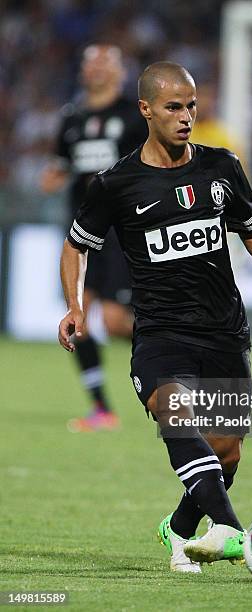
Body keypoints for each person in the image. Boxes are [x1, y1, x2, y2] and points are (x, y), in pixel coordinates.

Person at [58, 62, 252, 572]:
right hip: (159, 330)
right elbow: (76, 245)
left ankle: (177, 530)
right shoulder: (118, 183)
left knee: (228, 453)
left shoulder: (221, 167)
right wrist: (76, 304)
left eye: (191, 105)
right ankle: (232, 530)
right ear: (146, 109)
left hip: (224, 329)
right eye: (174, 107)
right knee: (173, 410)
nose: (186, 116)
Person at [42, 45, 148, 432]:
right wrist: (54, 176)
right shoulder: (72, 118)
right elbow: (59, 166)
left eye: (106, 62)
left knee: (119, 323)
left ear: (121, 72)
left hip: (123, 232)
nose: (98, 69)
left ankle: (180, 351)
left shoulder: (135, 116)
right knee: (78, 317)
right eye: (91, 62)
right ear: (83, 71)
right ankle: (102, 409)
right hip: (83, 232)